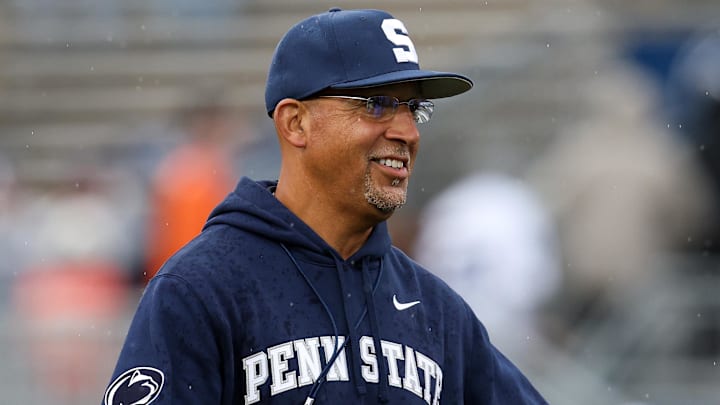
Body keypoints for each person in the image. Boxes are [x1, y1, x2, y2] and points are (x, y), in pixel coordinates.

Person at [103, 8, 547, 405]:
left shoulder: (436, 309)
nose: (408, 131)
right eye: (378, 105)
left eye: (414, 108)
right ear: (296, 123)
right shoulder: (201, 288)